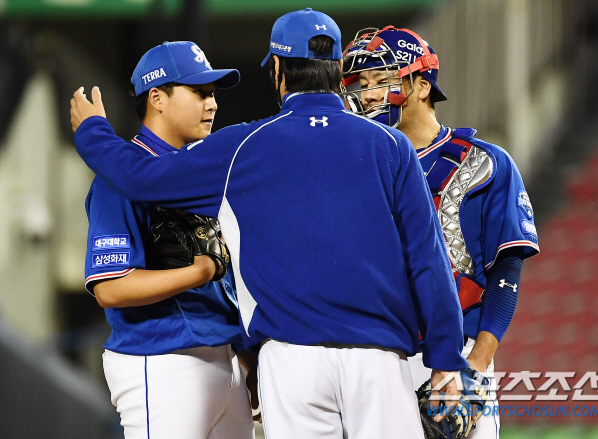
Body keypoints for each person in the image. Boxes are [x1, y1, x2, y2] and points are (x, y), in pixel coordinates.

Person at [70, 10, 468, 439]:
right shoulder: (391, 146)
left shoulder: (245, 144)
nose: (212, 102)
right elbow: (428, 259)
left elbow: (140, 178)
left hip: (291, 361)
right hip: (379, 358)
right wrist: (445, 357)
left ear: (277, 70)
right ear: (337, 70)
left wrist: (93, 131)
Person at [341, 26, 541, 437]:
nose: (369, 94)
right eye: (362, 85)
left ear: (421, 84)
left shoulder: (485, 164)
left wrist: (477, 366)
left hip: (460, 349)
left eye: (382, 80)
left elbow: (506, 268)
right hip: (376, 353)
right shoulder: (350, 170)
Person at [82, 41, 255, 439]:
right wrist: (201, 271)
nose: (211, 105)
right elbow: (111, 286)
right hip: (160, 359)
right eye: (199, 93)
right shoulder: (120, 179)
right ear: (157, 97)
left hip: (223, 359)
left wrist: (246, 357)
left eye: (212, 94)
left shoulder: (202, 172)